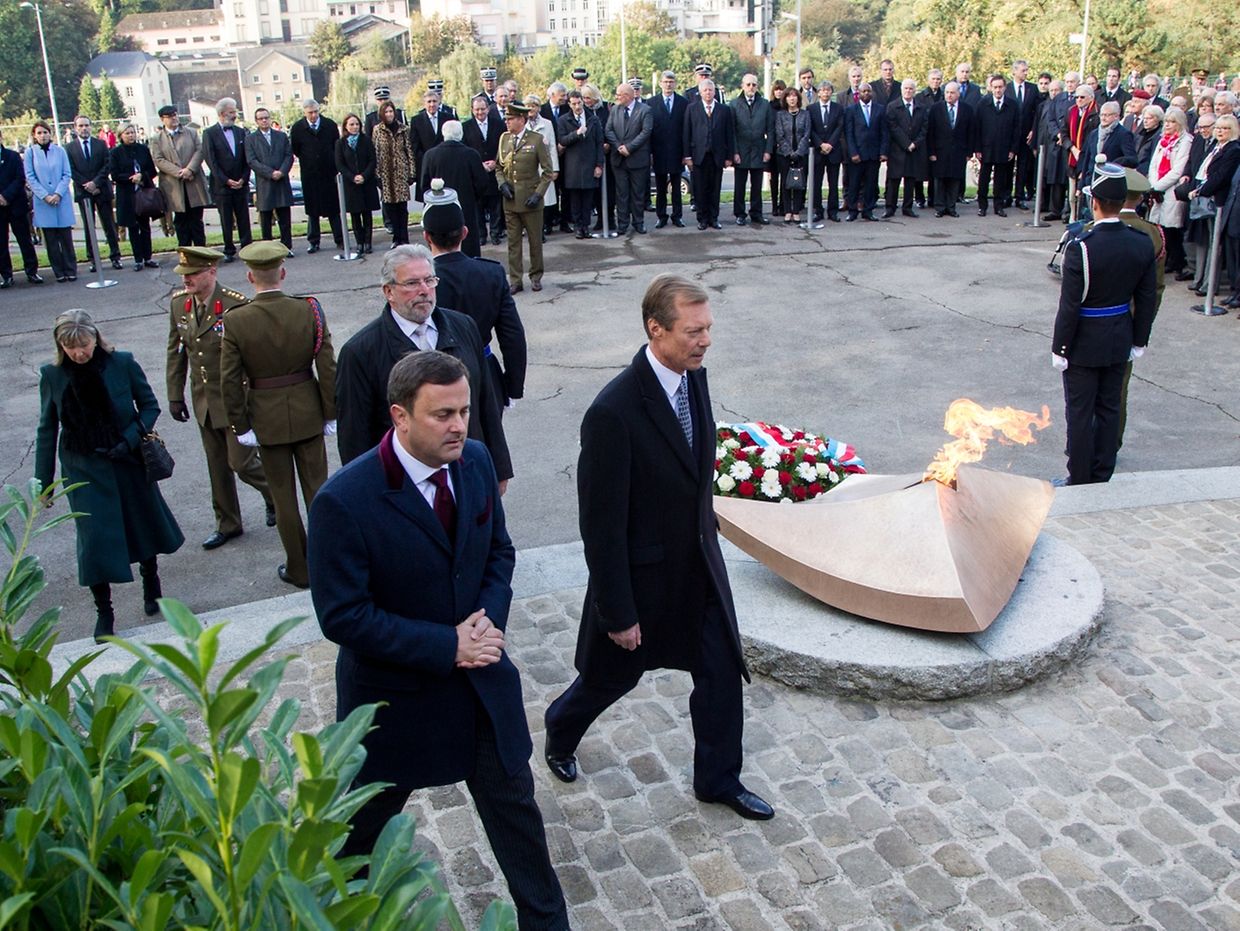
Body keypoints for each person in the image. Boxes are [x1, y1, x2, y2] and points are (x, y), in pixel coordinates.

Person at [307, 350, 569, 930]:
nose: (459, 426)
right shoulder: (343, 501)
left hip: (480, 689)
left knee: (516, 815)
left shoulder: (475, 462)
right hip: (394, 701)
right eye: (442, 414)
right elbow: (343, 616)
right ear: (399, 416)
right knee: (360, 839)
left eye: (465, 411)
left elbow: (498, 553)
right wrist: (446, 645)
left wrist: (485, 624)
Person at [543, 274, 774, 823]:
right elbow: (600, 527)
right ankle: (561, 726)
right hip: (643, 581)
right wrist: (618, 612)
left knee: (720, 674)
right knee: (611, 677)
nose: (706, 340)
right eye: (694, 331)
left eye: (708, 328)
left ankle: (719, 780)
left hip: (699, 569)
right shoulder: (612, 413)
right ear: (657, 330)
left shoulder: (693, 377)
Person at [35, 310, 184, 641]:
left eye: (84, 345)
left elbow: (149, 406)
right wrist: (43, 484)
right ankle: (104, 611)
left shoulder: (123, 363)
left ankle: (152, 585)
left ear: (95, 337)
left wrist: (129, 440)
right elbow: (47, 429)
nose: (79, 353)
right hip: (83, 467)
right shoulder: (53, 375)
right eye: (70, 347)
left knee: (141, 524)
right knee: (94, 541)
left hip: (126, 460)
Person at [334, 244, 511, 487]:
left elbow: (486, 404)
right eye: (412, 283)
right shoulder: (360, 352)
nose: (424, 290)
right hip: (404, 486)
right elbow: (354, 436)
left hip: (466, 473)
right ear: (388, 291)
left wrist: (499, 469)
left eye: (430, 280)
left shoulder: (464, 327)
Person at [220, 241, 337, 589]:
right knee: (318, 491)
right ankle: (329, 565)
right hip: (307, 410)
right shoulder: (308, 310)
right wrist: (330, 411)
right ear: (282, 273)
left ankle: (300, 569)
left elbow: (228, 380)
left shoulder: (236, 320)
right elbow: (327, 365)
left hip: (265, 417)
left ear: (249, 277)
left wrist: (241, 425)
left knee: (283, 498)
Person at [1051, 163, 1155, 487]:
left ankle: (1080, 478)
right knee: (1110, 408)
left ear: (1094, 202)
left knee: (1080, 413)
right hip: (1119, 335)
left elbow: (1069, 306)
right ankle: (1102, 474)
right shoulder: (1141, 242)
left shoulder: (1082, 246)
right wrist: (1139, 340)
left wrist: (1060, 347)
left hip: (1083, 341)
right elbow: (1146, 298)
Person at [166, 245, 275, 549]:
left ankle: (274, 496)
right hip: (203, 401)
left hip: (234, 400)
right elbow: (176, 352)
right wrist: (175, 394)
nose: (186, 280)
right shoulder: (180, 305)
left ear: (211, 272)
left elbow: (254, 356)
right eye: (183, 274)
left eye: (193, 274)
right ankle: (227, 523)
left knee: (241, 463)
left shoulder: (235, 306)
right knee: (217, 466)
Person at [424, 192, 527, 411]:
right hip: (484, 372)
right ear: (464, 233)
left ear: (426, 237)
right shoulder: (490, 273)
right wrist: (512, 386)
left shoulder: (420, 284)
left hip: (434, 377)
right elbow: (512, 335)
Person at [495, 103, 552, 293]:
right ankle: (515, 280)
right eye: (506, 119)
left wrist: (538, 194)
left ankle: (536, 276)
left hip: (531, 200)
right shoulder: (504, 139)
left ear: (521, 119)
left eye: (510, 119)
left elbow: (548, 172)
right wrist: (502, 183)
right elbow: (498, 167)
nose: (507, 122)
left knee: (535, 242)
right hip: (510, 200)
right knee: (513, 243)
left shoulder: (536, 140)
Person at [1186, 115, 1240, 296]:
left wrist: (1202, 191)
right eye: (1218, 128)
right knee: (1207, 242)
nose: (1220, 131)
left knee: (1215, 245)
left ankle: (1210, 286)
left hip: (1218, 200)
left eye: (1225, 128)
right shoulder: (1216, 147)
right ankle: (1204, 282)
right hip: (1206, 196)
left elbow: (1220, 176)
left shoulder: (1233, 150)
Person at [419, 122, 489, 258]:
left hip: (438, 210)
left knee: (442, 251)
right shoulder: (471, 155)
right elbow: (482, 184)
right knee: (468, 251)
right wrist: (473, 198)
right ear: (461, 134)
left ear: (443, 133)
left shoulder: (430, 155)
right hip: (466, 209)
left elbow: (424, 186)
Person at [67, 116, 123, 271]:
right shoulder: (70, 148)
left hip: (101, 190)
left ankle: (115, 256)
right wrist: (86, 184)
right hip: (83, 192)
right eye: (80, 126)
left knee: (109, 225)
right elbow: (71, 169)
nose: (84, 128)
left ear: (91, 127)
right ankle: (93, 259)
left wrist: (96, 183)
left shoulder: (101, 144)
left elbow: (107, 164)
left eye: (86, 125)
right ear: (75, 127)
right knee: (89, 226)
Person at [24, 120, 77, 283]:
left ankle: (71, 269)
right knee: (52, 241)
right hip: (43, 201)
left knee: (66, 239)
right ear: (34, 135)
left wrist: (58, 194)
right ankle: (59, 271)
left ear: (50, 134)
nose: (43, 135)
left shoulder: (60, 151)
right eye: (39, 133)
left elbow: (66, 174)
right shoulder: (30, 153)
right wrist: (45, 195)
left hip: (61, 199)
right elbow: (30, 177)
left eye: (45, 132)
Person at [200, 98, 252, 262]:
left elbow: (247, 158)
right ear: (222, 114)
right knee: (226, 219)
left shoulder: (240, 132)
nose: (235, 115)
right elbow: (211, 161)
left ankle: (247, 247)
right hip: (222, 186)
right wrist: (226, 180)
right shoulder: (209, 133)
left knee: (244, 217)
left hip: (241, 183)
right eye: (232, 112)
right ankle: (229, 249)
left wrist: (243, 178)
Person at [290, 99, 342, 254]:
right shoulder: (298, 128)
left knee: (333, 209)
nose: (313, 116)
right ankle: (314, 241)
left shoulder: (330, 125)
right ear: (305, 113)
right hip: (310, 174)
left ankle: (339, 239)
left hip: (328, 173)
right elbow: (296, 149)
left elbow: (336, 146)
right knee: (312, 211)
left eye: (315, 112)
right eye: (310, 113)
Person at [682, 79, 735, 230]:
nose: (708, 93)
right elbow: (687, 133)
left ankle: (714, 218)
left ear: (714, 92)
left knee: (715, 189)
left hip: (717, 157)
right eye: (705, 90)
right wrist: (687, 156)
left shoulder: (724, 110)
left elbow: (729, 135)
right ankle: (702, 219)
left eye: (710, 90)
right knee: (700, 189)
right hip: (699, 156)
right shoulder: (692, 109)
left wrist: (729, 157)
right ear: (700, 92)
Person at [151, 106, 207, 247]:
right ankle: (186, 253)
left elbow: (200, 151)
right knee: (181, 221)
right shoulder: (157, 139)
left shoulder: (191, 133)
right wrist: (178, 172)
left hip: (193, 182)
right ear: (163, 119)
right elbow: (158, 159)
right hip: (173, 185)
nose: (174, 118)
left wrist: (190, 169)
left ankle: (202, 253)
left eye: (175, 115)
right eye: (169, 116)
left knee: (196, 219)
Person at [1147, 107, 1192, 276]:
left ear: (1180, 123)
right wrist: (1153, 185)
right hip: (1157, 187)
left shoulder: (1185, 142)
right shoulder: (1162, 140)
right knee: (1159, 226)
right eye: (1166, 121)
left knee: (1172, 227)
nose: (1167, 125)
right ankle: (1165, 258)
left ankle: (1176, 261)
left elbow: (1178, 170)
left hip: (1172, 189)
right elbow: (1154, 164)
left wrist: (1158, 186)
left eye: (1172, 122)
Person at [109, 124, 159, 271]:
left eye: (132, 133)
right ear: (121, 136)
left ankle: (148, 257)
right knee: (133, 227)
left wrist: (142, 176)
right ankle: (138, 259)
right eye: (127, 133)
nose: (131, 136)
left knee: (145, 227)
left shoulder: (143, 149)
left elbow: (152, 170)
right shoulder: (116, 152)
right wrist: (131, 178)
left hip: (143, 194)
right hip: (127, 194)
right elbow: (115, 174)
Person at [605, 82, 652, 235]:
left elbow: (645, 132)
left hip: (637, 159)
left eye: (619, 95)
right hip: (619, 159)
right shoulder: (615, 109)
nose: (617, 97)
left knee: (638, 193)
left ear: (627, 96)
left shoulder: (645, 110)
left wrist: (629, 148)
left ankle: (638, 222)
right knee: (622, 194)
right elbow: (609, 129)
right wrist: (619, 146)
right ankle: (622, 224)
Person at [557, 89, 604, 239]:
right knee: (575, 199)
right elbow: (563, 141)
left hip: (590, 165)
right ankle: (578, 227)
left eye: (579, 103)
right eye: (574, 103)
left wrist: (599, 165)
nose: (577, 106)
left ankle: (586, 226)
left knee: (588, 199)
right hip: (573, 166)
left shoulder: (593, 119)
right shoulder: (564, 120)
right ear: (569, 105)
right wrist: (576, 134)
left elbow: (599, 143)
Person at [0, 127, 43, 288]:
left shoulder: (12, 156)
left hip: (15, 205)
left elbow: (20, 178)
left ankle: (32, 271)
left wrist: (6, 196)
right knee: (1, 243)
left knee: (25, 240)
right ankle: (6, 275)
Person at [247, 109, 294, 254]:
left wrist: (281, 171)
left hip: (281, 181)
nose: (264, 121)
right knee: (266, 218)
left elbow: (288, 156)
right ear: (256, 121)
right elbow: (252, 160)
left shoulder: (281, 136)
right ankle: (268, 249)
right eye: (261, 119)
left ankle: (286, 247)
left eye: (266, 118)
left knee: (285, 218)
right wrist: (270, 173)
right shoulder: (251, 139)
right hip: (264, 183)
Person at [974, 74, 1020, 217]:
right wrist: (977, 148)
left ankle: (998, 206)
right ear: (990, 88)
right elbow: (977, 128)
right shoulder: (983, 104)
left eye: (1000, 87)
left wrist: (1013, 149)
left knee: (1000, 179)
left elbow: (1016, 129)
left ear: (1005, 87)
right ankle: (982, 206)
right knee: (984, 179)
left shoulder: (1012, 105)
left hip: (1004, 148)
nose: (998, 90)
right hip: (986, 148)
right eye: (995, 87)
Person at [730, 73, 773, 226]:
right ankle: (740, 214)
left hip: (758, 150)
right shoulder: (734, 104)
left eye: (754, 85)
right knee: (740, 185)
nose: (751, 87)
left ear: (757, 86)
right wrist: (734, 152)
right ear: (742, 85)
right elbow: (732, 131)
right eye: (748, 84)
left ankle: (756, 213)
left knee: (757, 185)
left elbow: (770, 129)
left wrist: (768, 151)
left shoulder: (765, 104)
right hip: (741, 151)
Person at [463, 95, 506, 245]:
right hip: (476, 173)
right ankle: (481, 235)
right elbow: (465, 149)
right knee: (478, 207)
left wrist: (496, 162)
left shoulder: (499, 124)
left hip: (495, 170)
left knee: (495, 205)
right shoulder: (465, 127)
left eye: (482, 109)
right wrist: (478, 164)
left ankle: (495, 233)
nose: (480, 112)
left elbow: (504, 146)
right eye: (477, 109)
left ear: (488, 109)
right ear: (472, 110)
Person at [928, 81, 974, 217]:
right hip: (940, 151)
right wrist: (931, 152)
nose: (949, 95)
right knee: (940, 180)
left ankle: (951, 207)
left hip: (959, 151)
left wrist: (969, 153)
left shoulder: (967, 109)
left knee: (955, 180)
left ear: (958, 94)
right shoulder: (936, 108)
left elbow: (970, 132)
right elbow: (930, 132)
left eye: (952, 92)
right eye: (947, 92)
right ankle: (940, 207)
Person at [648, 71, 687, 229]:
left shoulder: (683, 103)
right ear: (660, 84)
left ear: (675, 83)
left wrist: (686, 154)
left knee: (676, 186)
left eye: (671, 81)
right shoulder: (651, 103)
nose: (668, 84)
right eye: (665, 82)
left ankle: (677, 216)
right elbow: (649, 130)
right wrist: (650, 152)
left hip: (677, 152)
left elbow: (686, 130)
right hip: (659, 151)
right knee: (660, 186)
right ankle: (661, 216)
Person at [884, 78, 928, 218]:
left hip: (914, 149)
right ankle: (890, 208)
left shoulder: (921, 107)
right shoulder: (892, 106)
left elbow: (924, 128)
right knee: (893, 180)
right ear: (901, 90)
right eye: (906, 88)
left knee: (910, 180)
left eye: (911, 89)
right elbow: (892, 127)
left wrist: (915, 143)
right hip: (897, 149)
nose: (908, 91)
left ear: (915, 91)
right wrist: (906, 143)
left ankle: (907, 208)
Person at [843, 83, 887, 221]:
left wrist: (883, 152)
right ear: (859, 94)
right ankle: (852, 211)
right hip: (857, 154)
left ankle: (868, 211)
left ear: (872, 93)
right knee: (854, 184)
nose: (866, 93)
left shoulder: (880, 109)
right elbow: (848, 134)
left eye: (868, 91)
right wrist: (853, 153)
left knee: (870, 184)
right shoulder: (851, 110)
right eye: (863, 91)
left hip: (873, 154)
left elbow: (884, 133)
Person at [335, 113, 378, 254]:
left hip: (366, 182)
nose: (355, 127)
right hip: (350, 184)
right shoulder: (340, 143)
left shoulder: (366, 140)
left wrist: (364, 176)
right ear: (346, 126)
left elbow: (372, 160)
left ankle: (368, 242)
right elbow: (340, 164)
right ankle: (359, 242)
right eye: (351, 124)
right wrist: (352, 177)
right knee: (355, 215)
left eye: (357, 124)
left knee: (367, 214)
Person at [373, 100, 414, 247]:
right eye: (386, 112)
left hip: (401, 173)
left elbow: (409, 151)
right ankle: (396, 238)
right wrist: (376, 174)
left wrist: (411, 173)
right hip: (385, 174)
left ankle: (404, 237)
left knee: (402, 208)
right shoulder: (378, 130)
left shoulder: (404, 129)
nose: (389, 114)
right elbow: (376, 153)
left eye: (391, 111)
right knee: (390, 208)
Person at [523, 94, 561, 236]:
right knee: (531, 198)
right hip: (528, 168)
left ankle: (545, 225)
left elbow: (552, 147)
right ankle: (533, 228)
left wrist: (554, 168)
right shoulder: (522, 124)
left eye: (534, 105)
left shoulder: (547, 124)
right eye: (528, 106)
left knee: (545, 198)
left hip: (544, 167)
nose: (531, 108)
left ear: (539, 108)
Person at [774, 86, 810, 223]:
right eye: (789, 96)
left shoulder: (805, 114)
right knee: (786, 182)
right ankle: (787, 210)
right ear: (785, 99)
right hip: (784, 155)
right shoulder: (780, 115)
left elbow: (807, 134)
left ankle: (796, 211)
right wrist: (789, 153)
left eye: (794, 96)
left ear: (798, 98)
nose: (792, 98)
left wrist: (799, 152)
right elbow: (779, 135)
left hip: (801, 154)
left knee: (799, 182)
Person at [808, 81, 844, 222]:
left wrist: (830, 144)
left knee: (833, 183)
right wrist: (820, 144)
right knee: (816, 183)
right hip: (817, 152)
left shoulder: (838, 108)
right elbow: (810, 129)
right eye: (822, 90)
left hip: (833, 151)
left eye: (828, 90)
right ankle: (818, 210)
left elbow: (839, 127)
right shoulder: (811, 109)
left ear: (831, 92)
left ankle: (832, 211)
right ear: (818, 93)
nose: (825, 92)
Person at [1007, 60, 1040, 208]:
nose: (1026, 73)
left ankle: (1019, 197)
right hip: (1010, 135)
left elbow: (1037, 112)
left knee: (1023, 166)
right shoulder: (1006, 89)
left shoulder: (1032, 89)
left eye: (1027, 70)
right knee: (1007, 166)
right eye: (1023, 70)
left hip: (1027, 134)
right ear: (1014, 71)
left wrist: (1033, 130)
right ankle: (1006, 195)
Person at [539, 82, 571, 234]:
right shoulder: (543, 110)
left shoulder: (567, 109)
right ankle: (549, 222)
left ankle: (565, 222)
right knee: (549, 192)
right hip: (548, 158)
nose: (565, 98)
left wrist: (563, 145)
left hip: (566, 156)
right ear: (552, 95)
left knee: (565, 191)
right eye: (562, 96)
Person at [409, 91, 448, 204]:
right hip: (426, 166)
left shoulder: (447, 118)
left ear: (439, 102)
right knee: (428, 199)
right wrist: (428, 160)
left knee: (446, 197)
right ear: (424, 103)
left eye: (434, 101)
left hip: (445, 164)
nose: (432, 104)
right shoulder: (416, 121)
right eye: (429, 102)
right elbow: (415, 146)